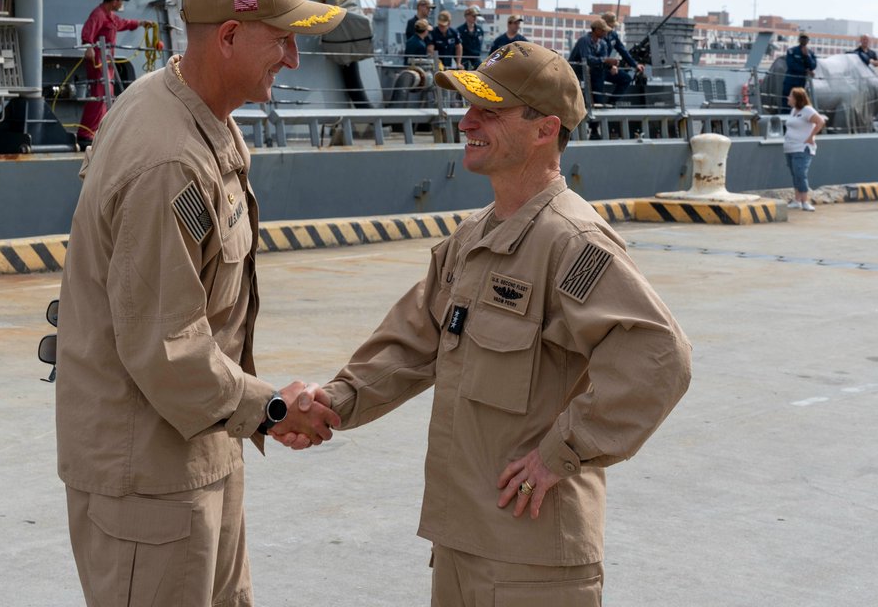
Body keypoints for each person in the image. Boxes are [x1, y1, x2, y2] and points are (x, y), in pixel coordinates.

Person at [282, 41, 692, 605]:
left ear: (545, 129)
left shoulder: (571, 241)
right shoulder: (473, 238)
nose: (466, 121)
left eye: (489, 111)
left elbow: (658, 357)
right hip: (462, 541)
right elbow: (410, 344)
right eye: (468, 106)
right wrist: (332, 401)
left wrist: (561, 453)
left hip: (532, 558)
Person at [56, 0, 344, 607]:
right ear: (231, 36)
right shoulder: (169, 160)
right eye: (283, 40)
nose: (294, 59)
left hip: (200, 450)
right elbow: (169, 347)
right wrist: (272, 409)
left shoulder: (196, 115)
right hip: (150, 484)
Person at [78, 0, 157, 147]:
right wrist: (88, 46)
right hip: (98, 61)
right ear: (114, 1)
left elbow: (123, 23)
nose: (121, 3)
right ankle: (86, 133)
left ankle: (99, 131)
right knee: (99, 96)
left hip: (107, 61)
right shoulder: (98, 14)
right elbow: (88, 32)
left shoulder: (110, 16)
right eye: (120, 0)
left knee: (107, 95)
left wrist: (141, 23)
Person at [569, 18, 631, 106]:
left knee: (625, 78)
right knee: (598, 75)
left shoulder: (602, 43)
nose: (606, 33)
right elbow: (586, 59)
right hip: (579, 72)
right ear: (596, 30)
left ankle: (611, 103)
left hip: (596, 71)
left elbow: (603, 59)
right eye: (603, 31)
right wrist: (605, 60)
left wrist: (611, 65)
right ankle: (598, 102)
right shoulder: (584, 40)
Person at [783, 86, 827, 211]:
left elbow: (820, 122)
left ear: (797, 98)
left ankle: (805, 201)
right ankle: (797, 200)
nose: (788, 97)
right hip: (790, 148)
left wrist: (810, 137)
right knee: (795, 174)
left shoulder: (807, 110)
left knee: (800, 173)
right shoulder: (793, 111)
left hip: (802, 148)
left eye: (790, 95)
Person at [600, 12, 645, 76]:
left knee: (625, 79)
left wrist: (635, 65)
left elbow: (622, 50)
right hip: (598, 67)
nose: (612, 27)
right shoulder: (597, 36)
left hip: (606, 67)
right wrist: (609, 67)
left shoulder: (613, 35)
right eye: (611, 25)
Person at [782, 31, 817, 110]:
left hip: (802, 81)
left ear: (808, 40)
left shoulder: (810, 53)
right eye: (802, 38)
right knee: (787, 101)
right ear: (799, 39)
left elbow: (813, 66)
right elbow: (791, 65)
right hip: (791, 80)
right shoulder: (792, 51)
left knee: (800, 101)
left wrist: (807, 56)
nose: (804, 40)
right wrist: (805, 71)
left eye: (805, 38)